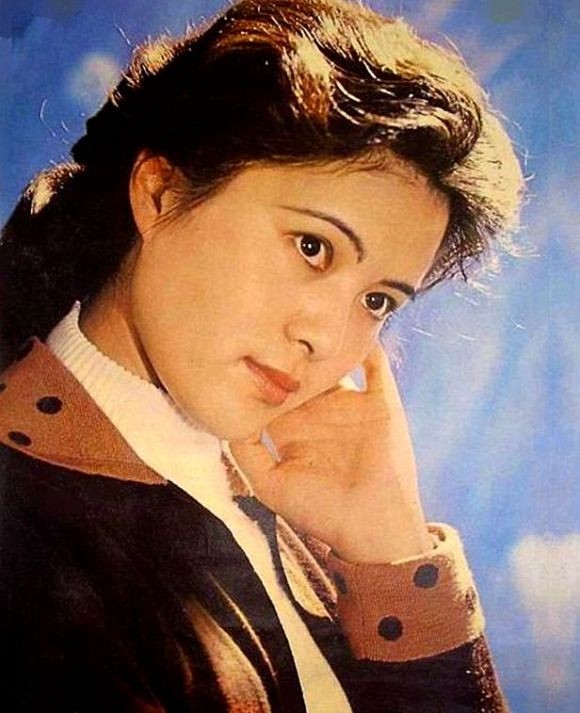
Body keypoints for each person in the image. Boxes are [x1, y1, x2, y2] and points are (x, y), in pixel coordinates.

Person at [0, 0, 523, 710]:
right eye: (312, 247)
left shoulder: (283, 518)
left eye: (377, 300)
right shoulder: (27, 541)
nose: (326, 338)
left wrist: (392, 550)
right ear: (161, 192)